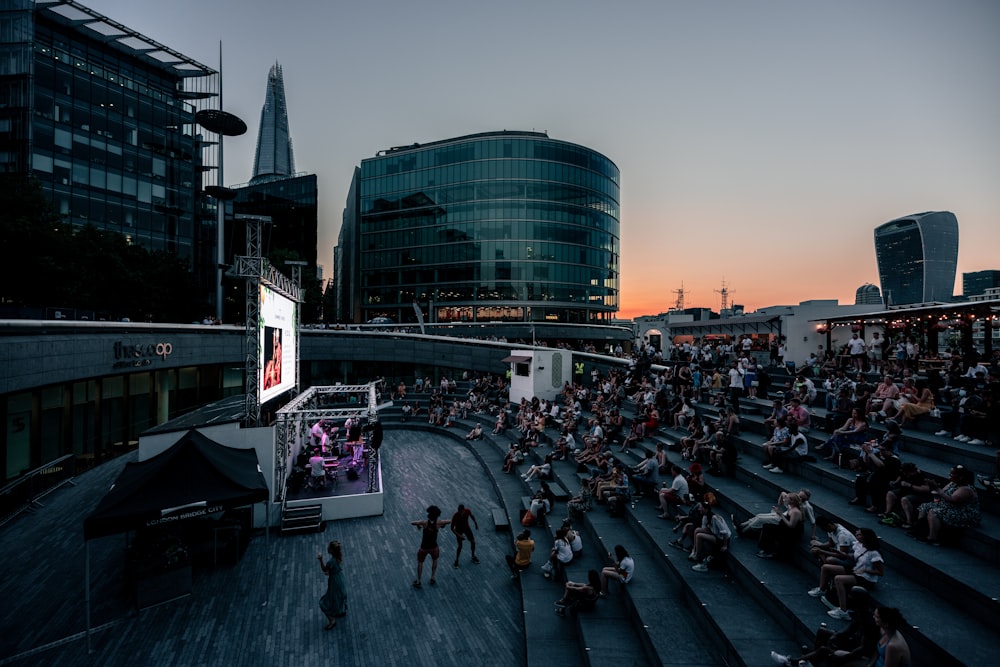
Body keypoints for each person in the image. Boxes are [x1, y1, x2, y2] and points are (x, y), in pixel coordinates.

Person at [812, 528, 884, 620]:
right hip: (856, 571)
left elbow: (880, 572)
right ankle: (822, 590)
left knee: (838, 579)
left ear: (865, 537)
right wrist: (842, 554)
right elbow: (854, 557)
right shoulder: (859, 545)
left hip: (866, 578)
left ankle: (843, 610)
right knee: (826, 568)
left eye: (859, 535)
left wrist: (865, 570)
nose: (856, 536)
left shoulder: (874, 553)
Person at [914, 465, 981, 545]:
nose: (949, 476)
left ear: (961, 477)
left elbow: (952, 500)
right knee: (925, 506)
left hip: (962, 512)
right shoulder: (953, 483)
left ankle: (932, 538)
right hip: (950, 507)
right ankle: (920, 530)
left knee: (934, 512)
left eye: (951, 474)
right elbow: (942, 492)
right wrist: (934, 487)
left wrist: (936, 488)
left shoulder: (966, 489)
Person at [411, 505, 450, 588]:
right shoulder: (438, 523)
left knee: (420, 563)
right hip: (434, 547)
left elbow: (412, 522)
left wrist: (418, 525)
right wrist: (444, 525)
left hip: (424, 547)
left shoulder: (424, 523)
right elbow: (448, 521)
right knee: (435, 560)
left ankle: (418, 581)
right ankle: (432, 577)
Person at [317, 540, 347, 630]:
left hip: (334, 583)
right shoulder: (338, 558)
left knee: (325, 603)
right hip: (340, 579)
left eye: (329, 547)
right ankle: (341, 611)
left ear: (332, 550)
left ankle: (332, 621)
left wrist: (321, 559)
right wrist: (330, 572)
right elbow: (332, 570)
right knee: (340, 596)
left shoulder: (331, 562)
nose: (327, 548)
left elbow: (324, 569)